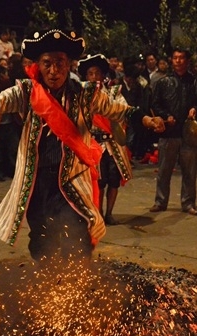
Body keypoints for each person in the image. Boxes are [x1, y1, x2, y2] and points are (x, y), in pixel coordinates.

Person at [0, 29, 164, 263]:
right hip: (37, 181)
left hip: (73, 179)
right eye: (47, 63)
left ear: (69, 65)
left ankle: (78, 278)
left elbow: (118, 109)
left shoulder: (86, 94)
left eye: (60, 63)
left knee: (77, 233)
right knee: (42, 238)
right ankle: (49, 279)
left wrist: (146, 119)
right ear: (38, 65)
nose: (54, 71)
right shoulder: (27, 91)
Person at [150, 48, 197, 216]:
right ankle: (160, 201)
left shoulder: (196, 83)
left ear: (187, 61)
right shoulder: (163, 82)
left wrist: (196, 109)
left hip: (188, 133)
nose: (178, 61)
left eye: (181, 58)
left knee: (189, 171)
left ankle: (188, 203)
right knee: (164, 170)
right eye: (175, 57)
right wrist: (165, 116)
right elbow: (155, 104)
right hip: (169, 132)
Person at [77, 53, 133, 226]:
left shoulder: (114, 93)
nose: (94, 77)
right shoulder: (82, 95)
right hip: (94, 145)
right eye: (90, 74)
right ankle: (98, 213)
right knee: (98, 181)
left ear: (102, 75)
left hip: (113, 145)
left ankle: (109, 213)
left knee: (113, 181)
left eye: (97, 73)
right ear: (86, 76)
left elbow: (124, 110)